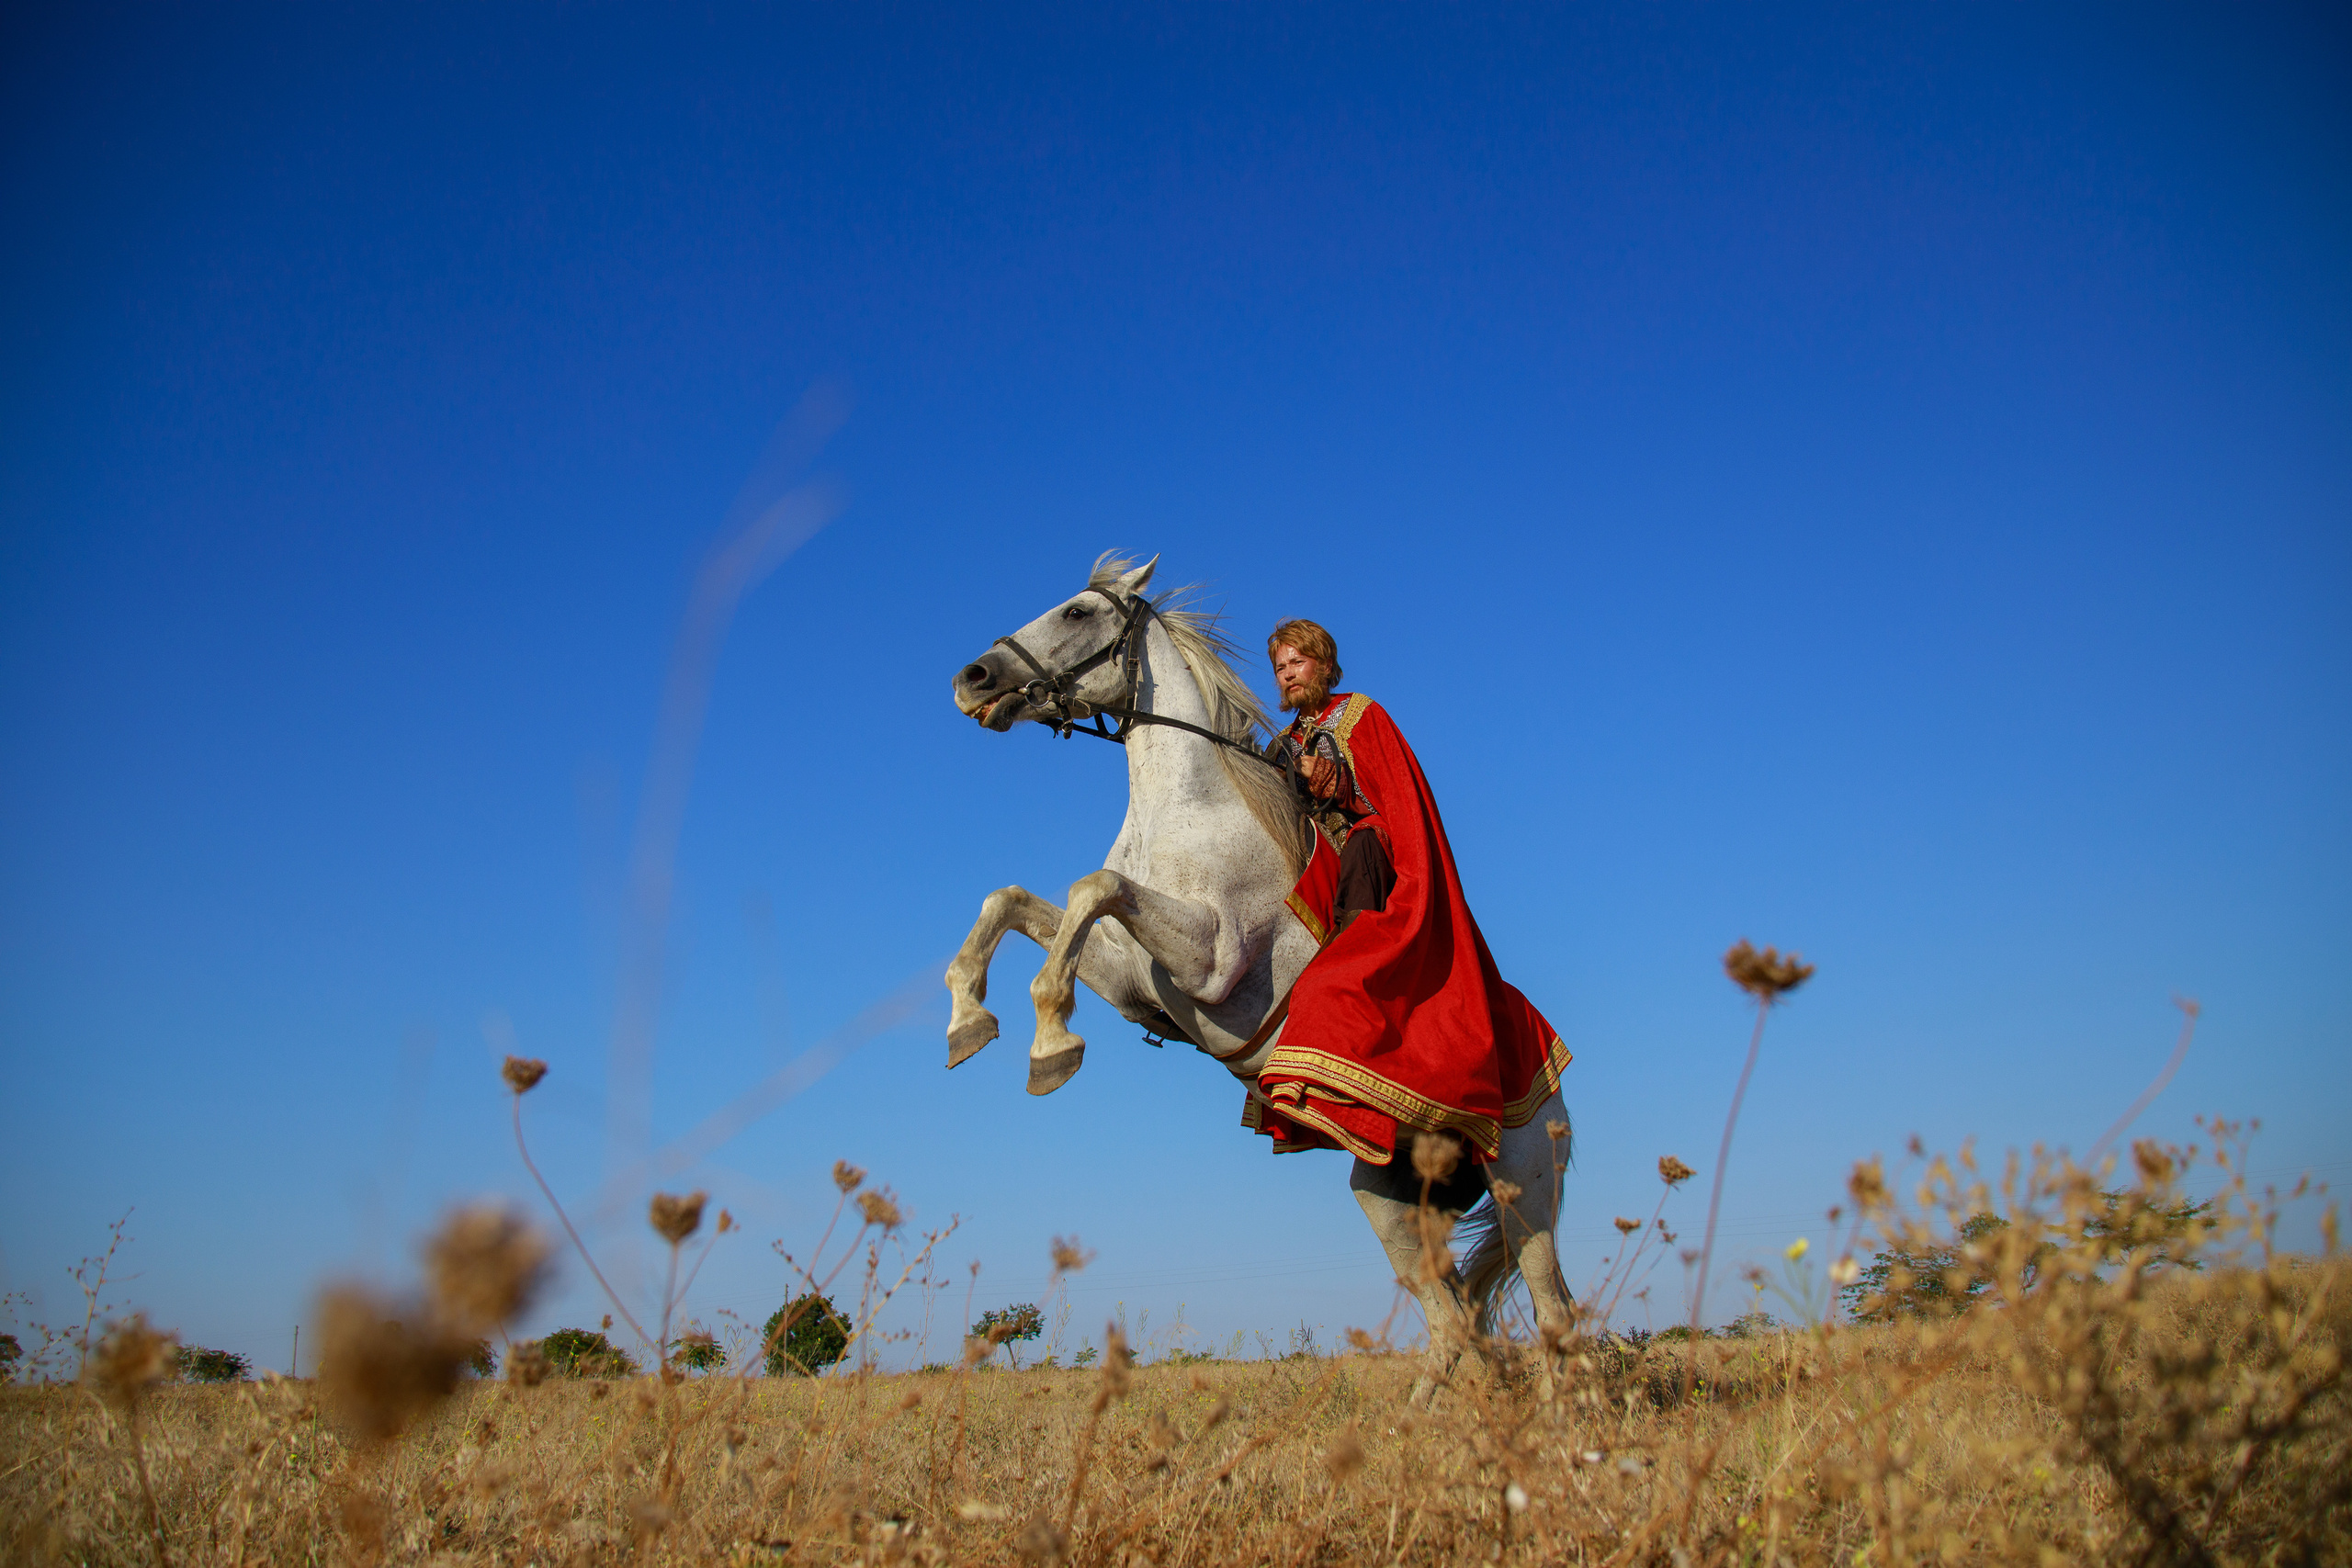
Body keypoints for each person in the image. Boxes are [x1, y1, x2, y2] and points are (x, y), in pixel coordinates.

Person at [1250, 619, 1569, 1168]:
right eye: (1279, 667)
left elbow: (1389, 802)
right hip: (1317, 874)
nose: (1287, 674)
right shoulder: (1283, 743)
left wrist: (1330, 779)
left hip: (1373, 861)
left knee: (1355, 882)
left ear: (1323, 664)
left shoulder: (1360, 715)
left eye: (1296, 661)